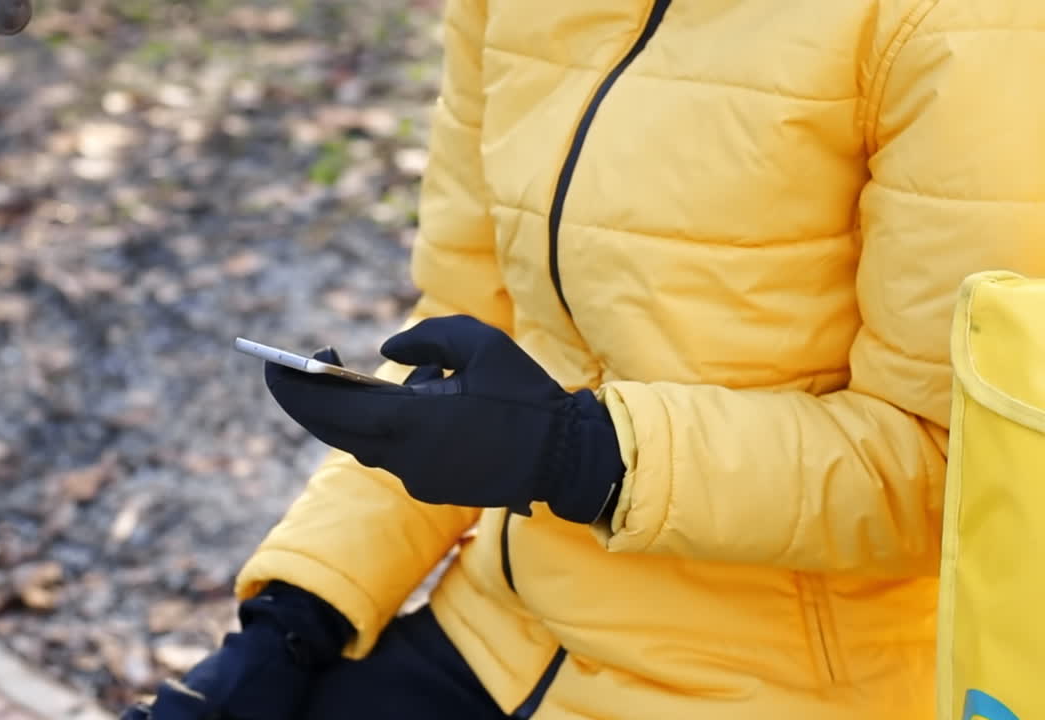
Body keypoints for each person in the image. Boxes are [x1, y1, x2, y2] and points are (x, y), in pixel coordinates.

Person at [123, 0, 1045, 717]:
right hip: (505, 629)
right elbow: (464, 329)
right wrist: (300, 609)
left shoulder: (968, 31)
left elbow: (955, 474)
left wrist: (584, 458)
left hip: (781, 687)